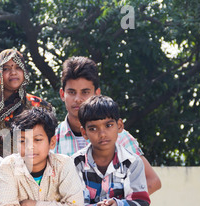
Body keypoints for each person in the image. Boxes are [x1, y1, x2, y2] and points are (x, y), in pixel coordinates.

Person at [54, 56, 161, 194]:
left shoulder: (119, 136)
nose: (78, 99)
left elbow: (152, 181)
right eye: (71, 92)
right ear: (62, 94)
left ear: (97, 93)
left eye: (85, 92)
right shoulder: (52, 139)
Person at [0, 49, 54, 157]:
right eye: (6, 68)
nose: (13, 72)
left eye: (18, 67)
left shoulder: (38, 104)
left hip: (28, 167)